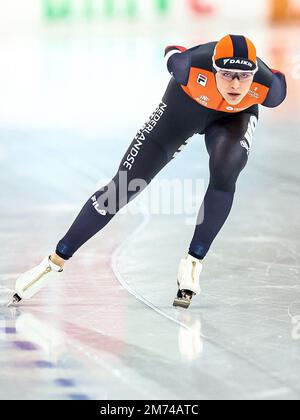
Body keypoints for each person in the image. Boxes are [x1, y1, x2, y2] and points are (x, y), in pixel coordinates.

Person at [8, 34, 287, 309]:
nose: (236, 84)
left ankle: (193, 262)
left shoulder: (269, 89)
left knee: (226, 171)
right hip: (182, 110)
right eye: (226, 74)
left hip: (232, 119)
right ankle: (54, 261)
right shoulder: (188, 66)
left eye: (244, 75)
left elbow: (278, 77)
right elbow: (172, 50)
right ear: (213, 69)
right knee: (122, 188)